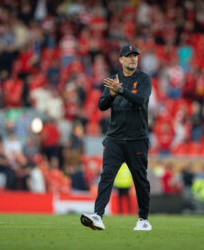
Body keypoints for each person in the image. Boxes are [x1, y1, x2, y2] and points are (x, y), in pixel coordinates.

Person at [80, 44, 152, 231]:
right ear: (120, 60)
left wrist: (119, 91)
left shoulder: (144, 79)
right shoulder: (113, 79)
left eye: (135, 55)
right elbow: (102, 105)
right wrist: (111, 94)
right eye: (128, 56)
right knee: (107, 175)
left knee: (140, 180)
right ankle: (98, 215)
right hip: (115, 138)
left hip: (137, 138)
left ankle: (143, 219)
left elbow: (141, 100)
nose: (132, 59)